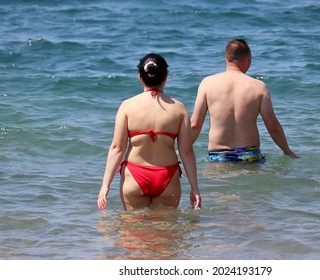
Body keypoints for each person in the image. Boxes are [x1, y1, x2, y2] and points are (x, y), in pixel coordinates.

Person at [97, 53, 201, 210]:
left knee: (132, 232)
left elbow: (117, 148)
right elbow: (186, 151)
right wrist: (195, 188)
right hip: (167, 176)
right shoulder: (179, 108)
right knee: (167, 232)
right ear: (165, 76)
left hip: (134, 176)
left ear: (140, 77)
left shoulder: (127, 106)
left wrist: (105, 185)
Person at [191, 39, 297, 162]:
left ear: (226, 58)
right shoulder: (258, 87)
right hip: (250, 155)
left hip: (219, 156)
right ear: (246, 60)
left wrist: (182, 149)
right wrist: (287, 150)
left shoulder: (207, 84)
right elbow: (273, 126)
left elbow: (195, 124)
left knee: (219, 180)